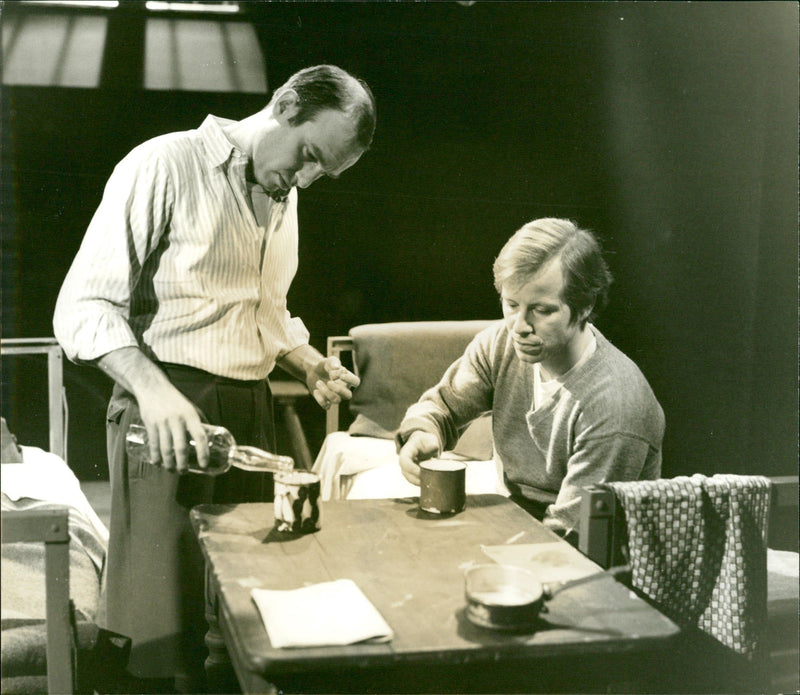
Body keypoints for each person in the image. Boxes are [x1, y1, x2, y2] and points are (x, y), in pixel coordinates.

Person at [53, 64, 375, 691]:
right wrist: (153, 393)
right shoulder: (163, 165)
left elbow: (264, 307)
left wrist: (306, 362)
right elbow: (82, 309)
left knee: (239, 620)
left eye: (323, 173)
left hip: (247, 410)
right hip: (168, 410)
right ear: (284, 104)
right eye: (309, 154)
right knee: (160, 635)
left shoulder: (284, 193)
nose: (305, 178)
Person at [397, 218, 664, 540]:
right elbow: (443, 406)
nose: (519, 326)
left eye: (542, 310)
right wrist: (424, 433)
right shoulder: (500, 343)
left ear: (584, 307)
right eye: (511, 305)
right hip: (518, 528)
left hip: (589, 560)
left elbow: (573, 534)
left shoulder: (616, 404)